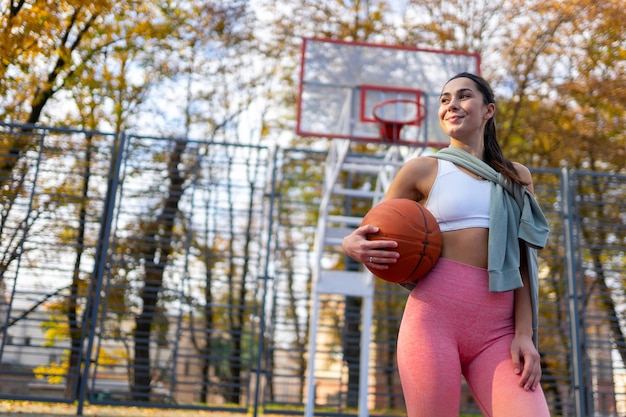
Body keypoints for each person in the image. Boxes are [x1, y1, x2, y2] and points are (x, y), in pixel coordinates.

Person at [342, 72, 551, 417]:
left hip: (499, 332)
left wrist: (524, 334)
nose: (451, 104)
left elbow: (525, 260)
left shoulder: (517, 177)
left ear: (488, 110)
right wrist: (352, 244)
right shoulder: (421, 170)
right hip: (433, 321)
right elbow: (372, 231)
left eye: (464, 96)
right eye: (444, 99)